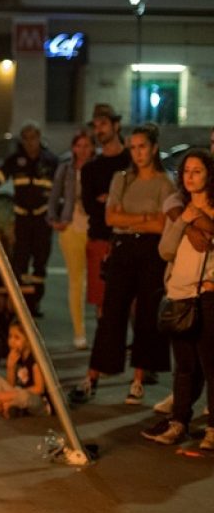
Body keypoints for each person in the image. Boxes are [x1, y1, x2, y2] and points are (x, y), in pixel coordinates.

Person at [71, 123, 176, 406]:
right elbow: (111, 218)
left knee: (146, 315)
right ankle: (93, 376)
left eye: (143, 147)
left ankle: (138, 380)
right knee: (111, 312)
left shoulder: (165, 182)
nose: (138, 153)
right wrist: (144, 218)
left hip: (151, 251)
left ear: (154, 148)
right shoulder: (121, 178)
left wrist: (129, 218)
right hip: (122, 248)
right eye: (133, 148)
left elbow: (162, 224)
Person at [142, 149, 214, 447]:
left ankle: (212, 429)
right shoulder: (180, 208)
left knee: (210, 365)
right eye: (186, 171)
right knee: (184, 367)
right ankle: (179, 422)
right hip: (179, 295)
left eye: (197, 171)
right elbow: (166, 250)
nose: (190, 177)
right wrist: (183, 221)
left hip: (207, 296)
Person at [0, 121, 58, 317]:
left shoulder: (50, 161)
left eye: (33, 138)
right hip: (22, 218)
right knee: (20, 261)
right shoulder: (15, 160)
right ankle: (20, 305)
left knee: (40, 262)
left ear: (39, 137)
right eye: (26, 139)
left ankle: (35, 303)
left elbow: (60, 188)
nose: (30, 142)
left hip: (42, 219)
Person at [47, 128, 96, 349]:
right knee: (76, 280)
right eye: (79, 146)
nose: (82, 150)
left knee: (98, 280)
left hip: (93, 226)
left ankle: (102, 329)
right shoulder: (66, 168)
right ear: (73, 148)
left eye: (87, 146)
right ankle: (79, 332)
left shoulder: (97, 167)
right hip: (71, 225)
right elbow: (54, 195)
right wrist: (53, 219)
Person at [80, 103, 130, 319]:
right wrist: (116, 202)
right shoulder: (91, 168)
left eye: (103, 124)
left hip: (129, 238)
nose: (98, 130)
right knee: (102, 301)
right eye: (95, 125)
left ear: (116, 126)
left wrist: (108, 199)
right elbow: (90, 206)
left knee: (132, 300)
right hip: (100, 238)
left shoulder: (130, 161)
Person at [0, 318, 50, 417]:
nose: (12, 341)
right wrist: (10, 367)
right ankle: (8, 406)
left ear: (29, 340)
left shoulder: (35, 359)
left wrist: (13, 394)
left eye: (17, 338)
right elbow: (11, 385)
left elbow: (39, 389)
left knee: (25, 397)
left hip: (38, 401)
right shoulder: (17, 356)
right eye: (10, 336)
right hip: (17, 394)